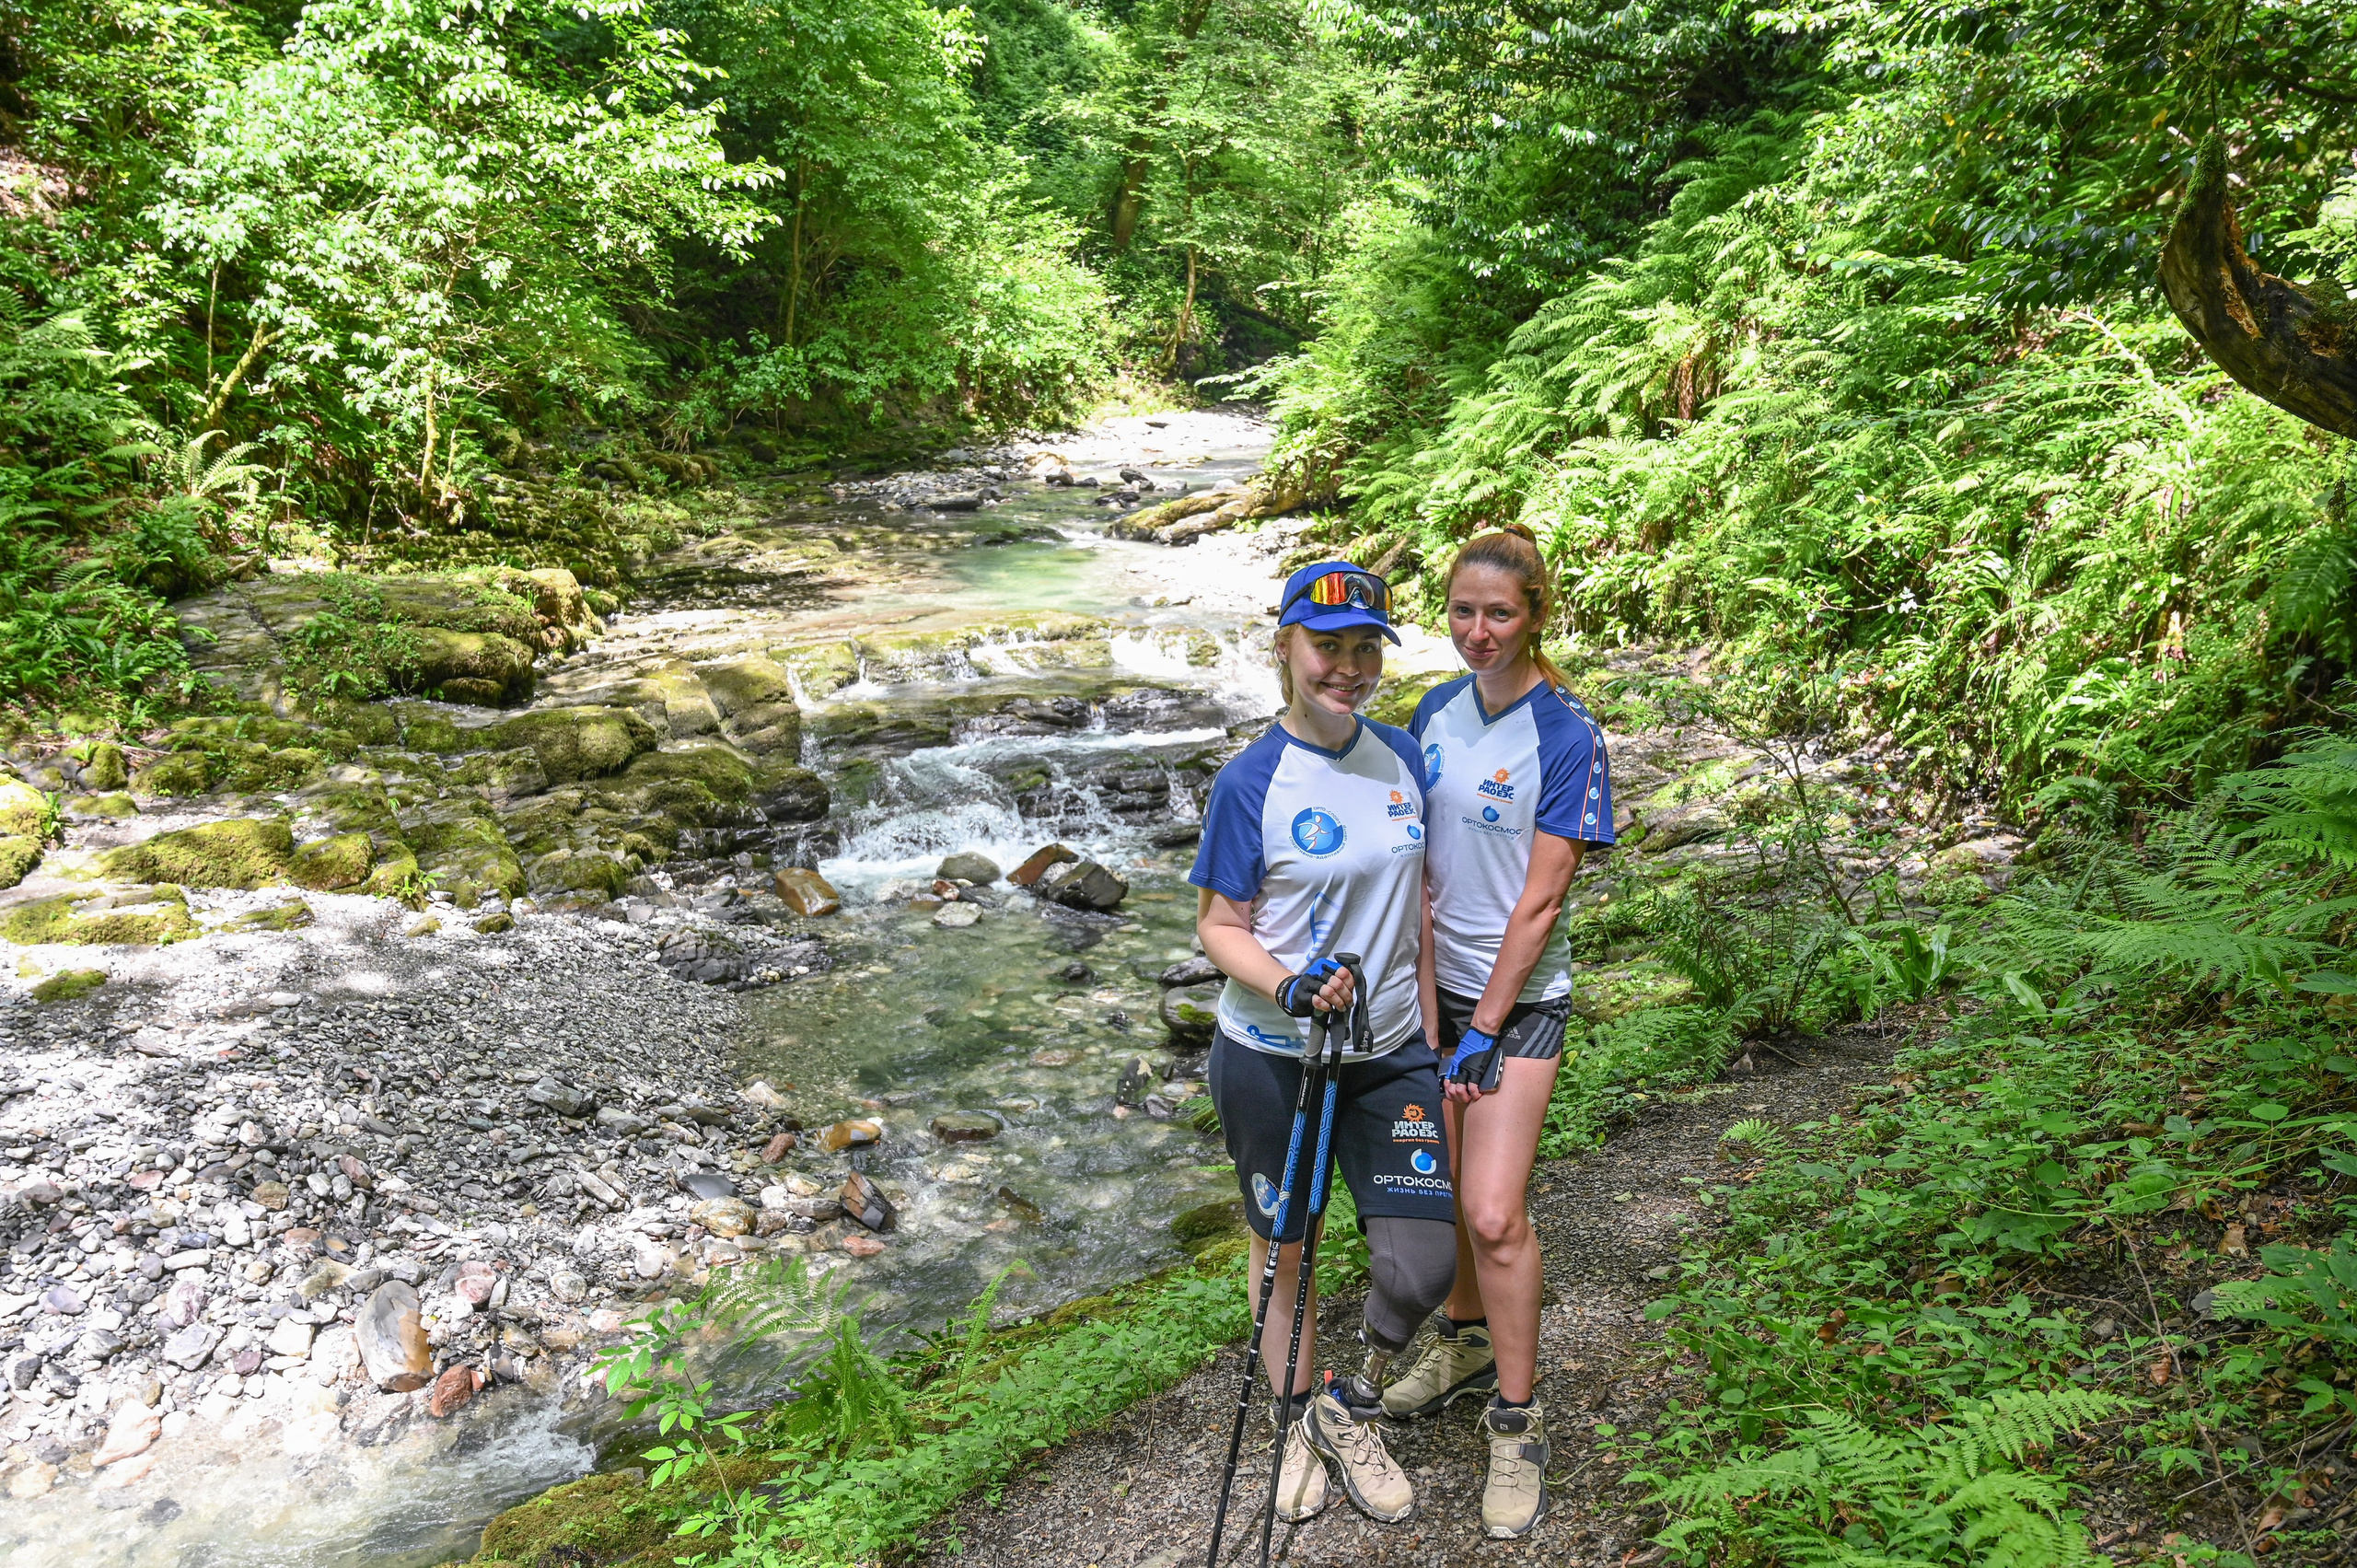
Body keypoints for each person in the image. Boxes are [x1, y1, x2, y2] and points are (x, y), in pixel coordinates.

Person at [1190, 559, 1457, 1526]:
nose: (1345, 667)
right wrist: (1290, 981)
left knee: (1421, 1261)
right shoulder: (1249, 779)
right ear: (1286, 649)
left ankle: (1348, 1401)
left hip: (1387, 1051)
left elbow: (1417, 900)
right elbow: (1219, 926)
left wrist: (1431, 1021)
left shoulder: (1401, 757)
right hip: (1274, 1054)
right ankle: (1303, 1416)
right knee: (1286, 1248)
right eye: (1325, 647)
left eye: (1362, 649)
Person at [1384, 522, 1614, 1539]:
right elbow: (1414, 858)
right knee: (1444, 1197)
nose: (1479, 631)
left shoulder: (1565, 733)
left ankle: (1518, 1424)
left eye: (1500, 613)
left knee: (1491, 1211)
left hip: (1514, 1004)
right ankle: (1464, 1338)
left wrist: (1482, 1024)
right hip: (1433, 997)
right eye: (1464, 611)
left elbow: (1541, 898)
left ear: (1535, 617)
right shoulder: (1434, 710)